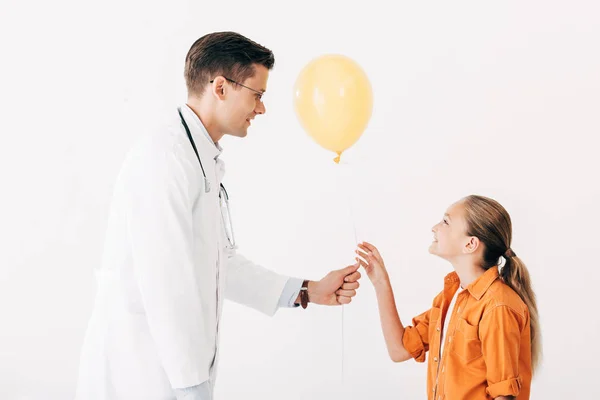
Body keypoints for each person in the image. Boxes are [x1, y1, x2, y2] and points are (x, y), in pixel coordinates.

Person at [75, 31, 361, 400]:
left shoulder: (200, 160)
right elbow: (166, 283)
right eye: (257, 95)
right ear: (221, 87)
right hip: (140, 373)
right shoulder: (165, 159)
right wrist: (193, 387)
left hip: (171, 374)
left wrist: (307, 291)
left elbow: (218, 261)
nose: (261, 109)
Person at [356, 195, 541, 400]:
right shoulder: (449, 298)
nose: (435, 227)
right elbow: (399, 350)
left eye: (446, 222)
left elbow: (504, 395)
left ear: (470, 244)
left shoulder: (498, 306)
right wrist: (380, 282)